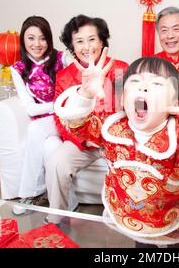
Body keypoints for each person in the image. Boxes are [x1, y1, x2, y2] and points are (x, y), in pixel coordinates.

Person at [54, 54, 179, 246]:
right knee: (142, 245)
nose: (143, 87)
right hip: (130, 217)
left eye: (157, 84)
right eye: (134, 81)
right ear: (124, 98)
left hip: (171, 220)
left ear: (175, 103)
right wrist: (85, 93)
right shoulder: (113, 127)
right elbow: (77, 124)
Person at [44, 15, 128, 219]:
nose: (87, 46)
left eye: (92, 39)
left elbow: (131, 111)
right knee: (56, 161)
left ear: (102, 41)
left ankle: (125, 218)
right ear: (72, 45)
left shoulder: (121, 69)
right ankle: (56, 219)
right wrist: (83, 140)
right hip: (81, 142)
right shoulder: (64, 76)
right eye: (79, 41)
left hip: (116, 141)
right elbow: (60, 118)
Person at [10, 16, 66, 214]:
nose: (37, 44)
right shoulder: (18, 69)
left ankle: (29, 193)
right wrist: (57, 105)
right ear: (23, 40)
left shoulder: (61, 59)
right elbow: (30, 109)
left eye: (42, 38)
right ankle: (65, 201)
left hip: (66, 119)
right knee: (52, 146)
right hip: (46, 122)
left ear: (49, 39)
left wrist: (58, 108)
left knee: (34, 128)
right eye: (31, 38)